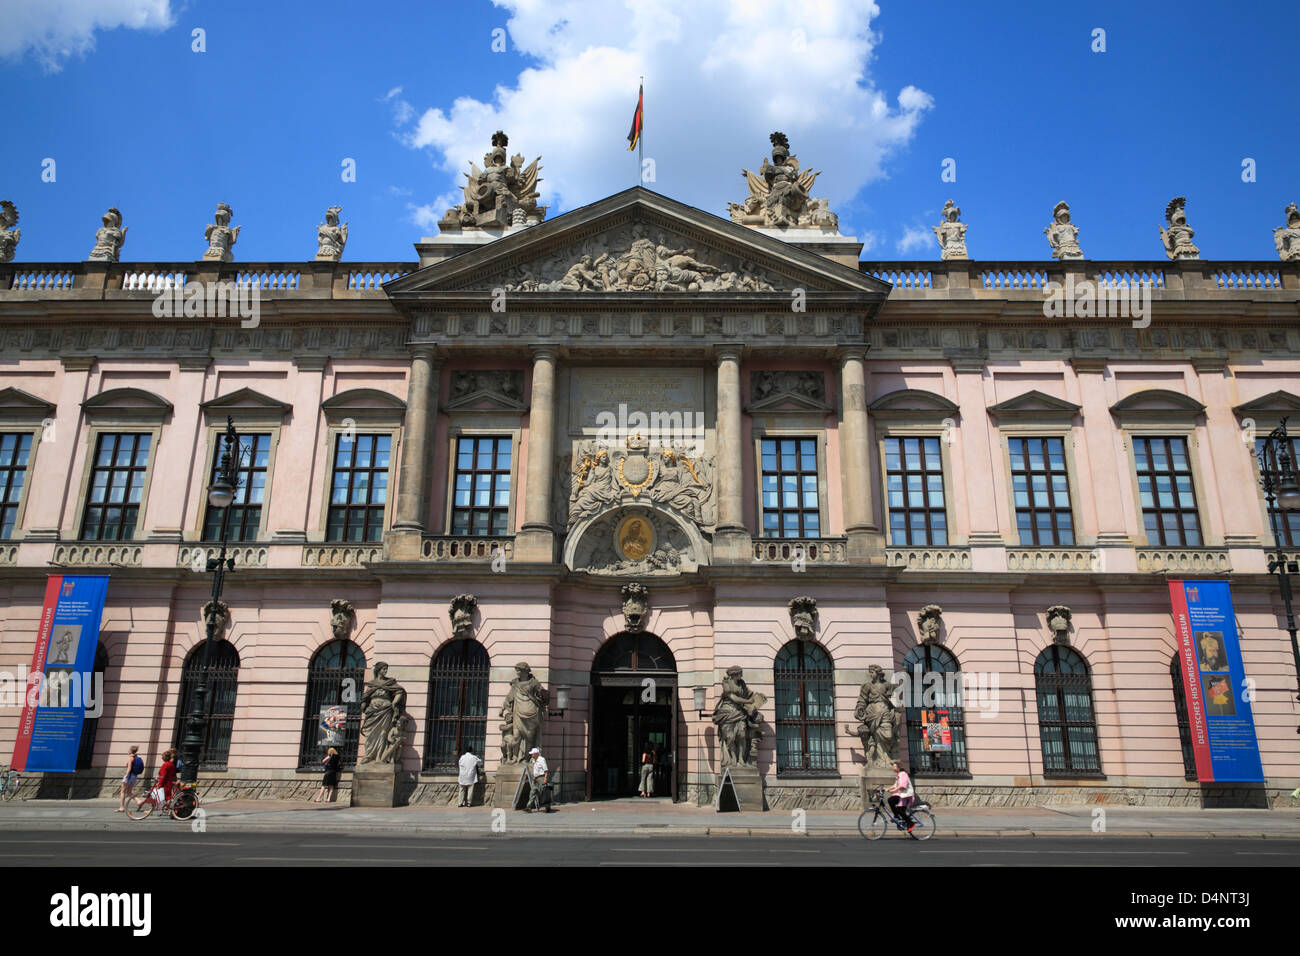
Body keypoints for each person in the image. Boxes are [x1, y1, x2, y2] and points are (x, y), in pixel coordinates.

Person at [886, 759, 916, 831]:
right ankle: (897, 817)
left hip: (906, 795)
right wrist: (886, 788)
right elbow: (895, 785)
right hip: (902, 795)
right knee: (891, 801)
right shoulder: (899, 775)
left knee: (899, 809)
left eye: (894, 766)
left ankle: (910, 823)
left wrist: (893, 790)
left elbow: (902, 786)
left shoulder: (903, 774)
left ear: (898, 767)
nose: (893, 768)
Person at [116, 745, 143, 812]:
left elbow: (129, 768)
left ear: (131, 751)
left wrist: (126, 777)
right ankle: (138, 801)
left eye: (129, 749)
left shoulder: (131, 758)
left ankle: (121, 807)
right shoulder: (137, 758)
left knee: (123, 791)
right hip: (134, 776)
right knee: (129, 792)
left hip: (129, 776)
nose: (128, 751)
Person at [526, 747, 552, 813]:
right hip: (536, 778)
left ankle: (547, 807)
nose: (531, 755)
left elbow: (546, 770)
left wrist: (545, 779)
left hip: (542, 777)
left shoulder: (542, 759)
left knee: (543, 792)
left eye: (532, 754)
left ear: (536, 754)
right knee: (533, 792)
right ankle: (528, 807)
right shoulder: (534, 760)